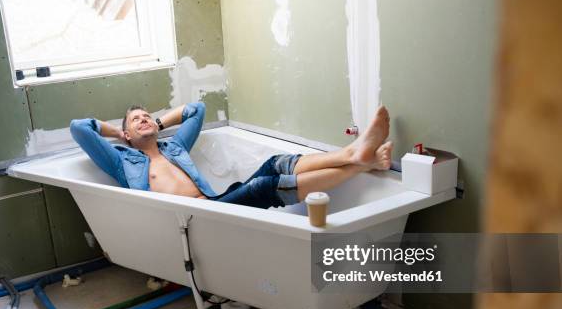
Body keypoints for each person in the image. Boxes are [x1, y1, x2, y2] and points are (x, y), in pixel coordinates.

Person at [69, 102, 392, 209]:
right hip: (186, 221)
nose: (143, 120)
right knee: (263, 186)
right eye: (135, 120)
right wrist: (119, 134)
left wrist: (157, 122)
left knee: (275, 163)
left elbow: (197, 109)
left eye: (146, 116)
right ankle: (358, 162)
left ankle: (355, 155)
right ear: (126, 134)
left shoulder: (175, 147)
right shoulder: (121, 159)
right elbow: (80, 128)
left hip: (212, 206)